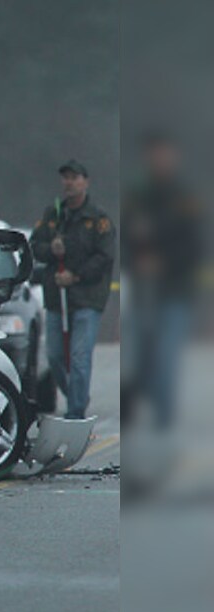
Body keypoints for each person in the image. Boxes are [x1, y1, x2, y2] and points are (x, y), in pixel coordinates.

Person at [121, 132, 203, 429]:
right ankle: (145, 416)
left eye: (165, 153)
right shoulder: (138, 195)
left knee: (167, 359)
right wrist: (137, 259)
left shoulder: (185, 196)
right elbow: (126, 243)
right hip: (142, 293)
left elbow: (195, 245)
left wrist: (163, 262)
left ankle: (164, 425)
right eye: (155, 153)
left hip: (175, 292)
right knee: (142, 361)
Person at [29, 160, 115, 419]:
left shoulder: (99, 220)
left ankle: (75, 413)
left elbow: (104, 256)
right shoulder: (52, 215)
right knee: (55, 356)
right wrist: (51, 250)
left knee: (79, 357)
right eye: (65, 177)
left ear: (85, 182)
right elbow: (35, 245)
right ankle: (77, 394)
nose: (69, 182)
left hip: (87, 298)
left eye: (75, 177)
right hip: (57, 298)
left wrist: (75, 276)